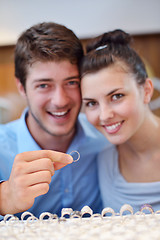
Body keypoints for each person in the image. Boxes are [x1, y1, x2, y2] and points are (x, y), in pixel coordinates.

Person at [0, 22, 108, 219]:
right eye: (43, 85)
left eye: (71, 83)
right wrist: (4, 199)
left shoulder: (106, 140)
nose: (60, 100)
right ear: (22, 88)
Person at [80, 29, 160, 214]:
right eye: (92, 103)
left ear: (146, 90)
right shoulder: (103, 159)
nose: (104, 115)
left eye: (116, 96)